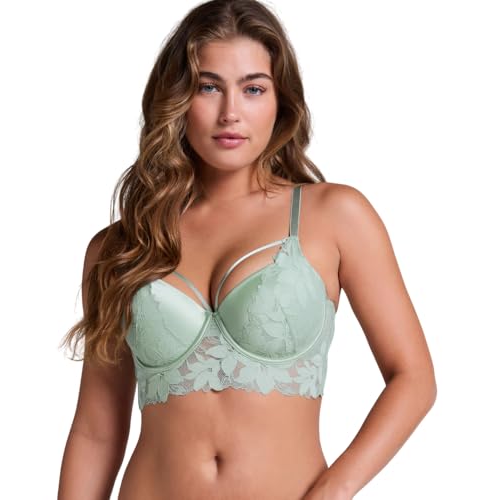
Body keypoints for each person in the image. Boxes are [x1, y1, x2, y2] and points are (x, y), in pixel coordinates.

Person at [57, 1, 437, 499]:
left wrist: (334, 490)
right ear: (177, 99)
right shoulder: (122, 247)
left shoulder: (335, 216)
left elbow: (413, 378)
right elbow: (96, 431)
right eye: (208, 87)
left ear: (281, 101)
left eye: (253, 88)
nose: (230, 113)